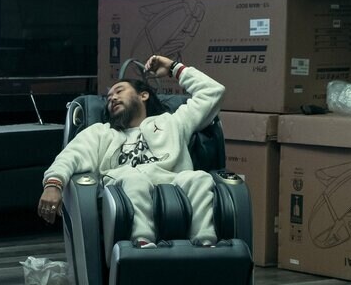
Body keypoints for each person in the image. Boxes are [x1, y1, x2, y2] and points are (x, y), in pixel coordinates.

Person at [37, 54, 224, 247]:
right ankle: (142, 243)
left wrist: (173, 67)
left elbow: (212, 92)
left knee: (199, 177)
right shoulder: (101, 132)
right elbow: (70, 156)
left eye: (119, 91)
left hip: (173, 183)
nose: (112, 98)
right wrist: (53, 184)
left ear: (144, 95)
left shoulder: (173, 122)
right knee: (135, 179)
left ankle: (205, 245)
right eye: (109, 98)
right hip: (124, 186)